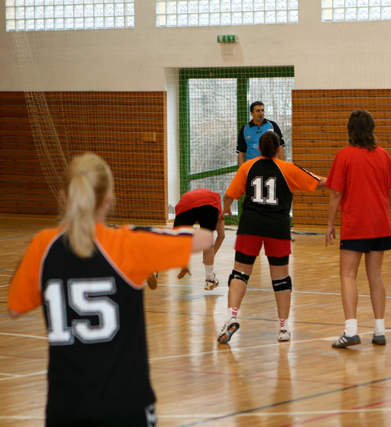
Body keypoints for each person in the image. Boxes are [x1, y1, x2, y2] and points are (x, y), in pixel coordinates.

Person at [8, 153, 215, 427]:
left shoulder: (42, 246)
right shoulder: (126, 243)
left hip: (65, 406)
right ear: (109, 199)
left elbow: (15, 307)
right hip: (125, 404)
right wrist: (140, 234)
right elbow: (205, 238)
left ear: (63, 197)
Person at [218, 131, 325, 344]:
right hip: (277, 227)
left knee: (240, 273)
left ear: (258, 148)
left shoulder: (247, 167)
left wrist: (227, 207)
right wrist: (344, 181)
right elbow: (319, 182)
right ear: (278, 149)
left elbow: (229, 194)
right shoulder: (288, 169)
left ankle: (231, 316)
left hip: (250, 225)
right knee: (281, 279)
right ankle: (283, 328)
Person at [325, 109, 391, 349]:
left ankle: (351, 331)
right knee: (376, 276)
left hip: (355, 225)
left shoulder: (344, 156)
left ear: (350, 130)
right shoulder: (383, 155)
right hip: (380, 224)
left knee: (348, 275)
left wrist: (330, 224)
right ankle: (379, 331)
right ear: (371, 130)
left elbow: (335, 194)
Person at [172, 188, 225, 293]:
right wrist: (210, 257)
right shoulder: (216, 203)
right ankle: (210, 279)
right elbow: (222, 235)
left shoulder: (189, 199)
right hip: (208, 203)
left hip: (186, 202)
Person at [237, 101, 285, 165]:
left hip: (270, 165)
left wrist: (282, 165)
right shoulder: (245, 129)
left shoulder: (273, 125)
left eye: (262, 110)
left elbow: (280, 146)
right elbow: (241, 152)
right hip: (252, 166)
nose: (261, 113)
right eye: (258, 111)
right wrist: (242, 169)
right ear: (252, 113)